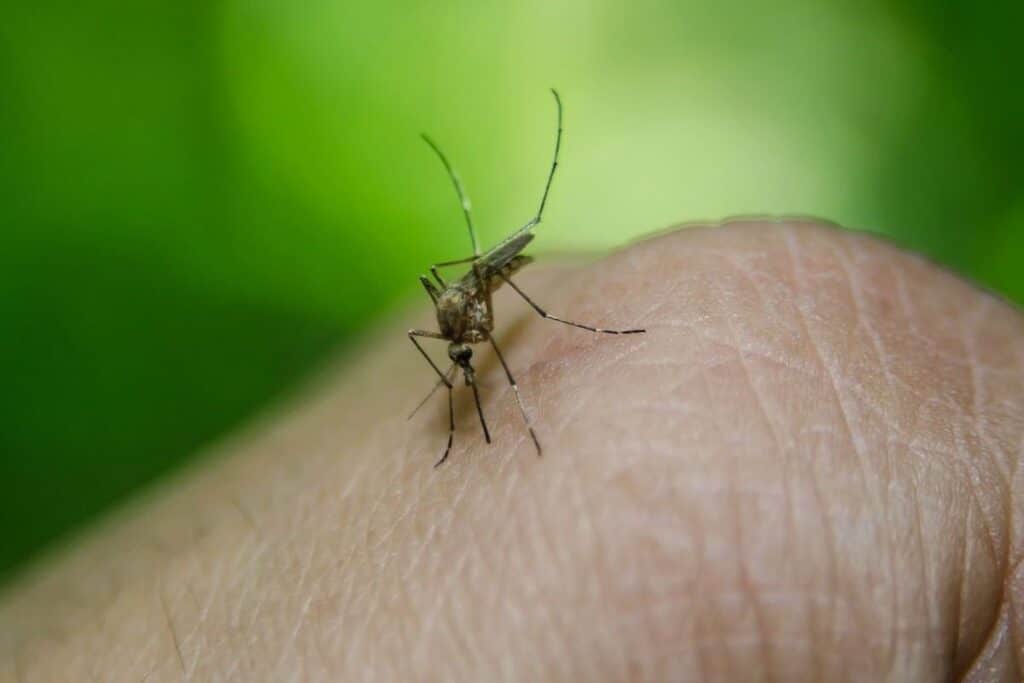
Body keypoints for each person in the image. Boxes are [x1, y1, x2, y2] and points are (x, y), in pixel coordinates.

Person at [1, 220, 1020, 680]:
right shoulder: (447, 332)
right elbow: (448, 339)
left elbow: (473, 315)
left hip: (487, 275)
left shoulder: (479, 303)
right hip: (465, 294)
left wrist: (518, 336)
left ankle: (569, 342)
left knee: (495, 334)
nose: (460, 356)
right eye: (459, 359)